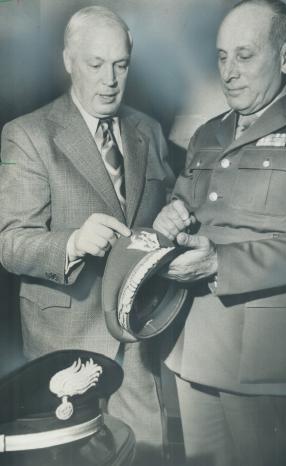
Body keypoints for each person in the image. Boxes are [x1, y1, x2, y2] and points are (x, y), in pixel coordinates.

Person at [154, 1, 286, 465]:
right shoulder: (208, 134)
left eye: (245, 55)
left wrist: (219, 263)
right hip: (194, 352)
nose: (229, 71)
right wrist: (170, 216)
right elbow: (188, 203)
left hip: (270, 362)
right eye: (222, 56)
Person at [0, 6, 174, 465]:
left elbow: (163, 215)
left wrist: (176, 219)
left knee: (146, 454)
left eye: (120, 65)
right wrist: (73, 242)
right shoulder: (27, 136)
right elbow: (10, 242)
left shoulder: (149, 132)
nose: (110, 79)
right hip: (66, 353)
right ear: (68, 61)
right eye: (95, 65)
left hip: (137, 341)